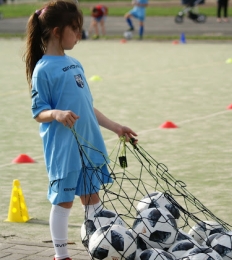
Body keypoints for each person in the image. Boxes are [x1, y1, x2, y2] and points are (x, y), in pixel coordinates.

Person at [23, 1, 138, 259]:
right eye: (75, 29)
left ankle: (102, 246)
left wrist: (116, 127)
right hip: (64, 151)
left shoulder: (75, 63)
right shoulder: (43, 69)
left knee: (92, 198)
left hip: (88, 143)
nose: (79, 35)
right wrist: (57, 114)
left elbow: (88, 107)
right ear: (56, 31)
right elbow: (38, 112)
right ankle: (60, 255)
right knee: (63, 202)